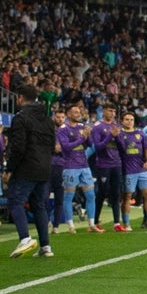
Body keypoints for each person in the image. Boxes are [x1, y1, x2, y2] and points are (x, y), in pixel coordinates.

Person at [6, 84, 55, 258]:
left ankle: (25, 238)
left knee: (15, 201)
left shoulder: (21, 118)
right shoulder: (48, 119)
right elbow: (52, 146)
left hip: (27, 168)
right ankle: (46, 247)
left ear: (20, 97)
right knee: (39, 205)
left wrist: (9, 168)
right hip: (45, 168)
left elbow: (18, 147)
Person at [54, 100, 102, 233]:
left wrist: (88, 135)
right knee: (69, 196)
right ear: (68, 114)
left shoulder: (82, 126)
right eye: (75, 112)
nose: (78, 113)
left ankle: (91, 224)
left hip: (84, 165)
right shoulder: (63, 130)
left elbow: (90, 144)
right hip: (70, 166)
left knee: (91, 195)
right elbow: (66, 147)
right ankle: (71, 226)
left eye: (79, 111)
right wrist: (81, 138)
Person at [90, 104, 123, 231]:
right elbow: (97, 147)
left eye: (114, 111)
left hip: (116, 163)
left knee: (116, 193)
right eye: (110, 110)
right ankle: (96, 221)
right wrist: (110, 136)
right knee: (102, 192)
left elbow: (122, 147)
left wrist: (117, 137)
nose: (113, 113)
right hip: (103, 164)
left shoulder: (117, 126)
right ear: (104, 111)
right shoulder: (98, 127)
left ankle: (116, 223)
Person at [116, 110, 147, 231]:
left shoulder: (140, 133)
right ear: (122, 121)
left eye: (131, 120)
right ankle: (126, 223)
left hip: (142, 169)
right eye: (127, 119)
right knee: (127, 197)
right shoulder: (119, 134)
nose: (129, 122)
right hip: (128, 171)